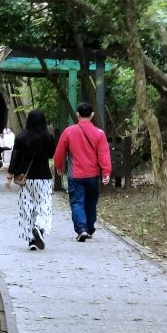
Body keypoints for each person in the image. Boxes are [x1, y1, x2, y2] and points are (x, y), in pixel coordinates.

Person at [53, 102, 112, 242]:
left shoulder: (69, 131)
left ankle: (82, 229)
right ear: (92, 115)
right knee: (91, 202)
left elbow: (59, 152)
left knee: (77, 202)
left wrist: (59, 165)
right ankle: (90, 228)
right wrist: (106, 172)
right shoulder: (99, 133)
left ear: (78, 115)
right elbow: (104, 155)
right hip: (93, 175)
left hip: (76, 175)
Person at [6, 110, 56, 250]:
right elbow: (51, 154)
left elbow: (15, 157)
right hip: (44, 177)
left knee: (28, 206)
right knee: (43, 205)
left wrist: (10, 176)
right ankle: (39, 228)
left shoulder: (21, 138)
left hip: (25, 178)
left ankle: (32, 239)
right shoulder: (49, 138)